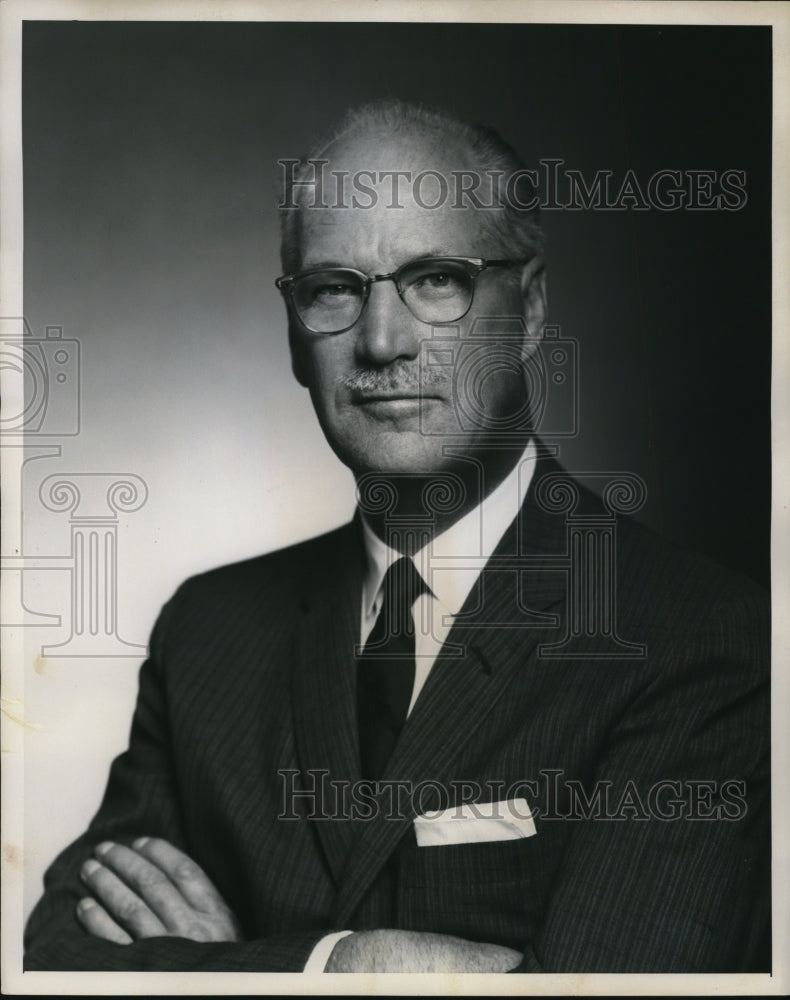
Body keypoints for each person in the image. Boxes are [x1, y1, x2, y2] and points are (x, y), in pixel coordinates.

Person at [23, 99, 770, 974]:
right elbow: (59, 959)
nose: (381, 342)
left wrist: (227, 971)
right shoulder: (207, 632)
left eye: (436, 280)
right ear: (295, 336)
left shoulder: (700, 636)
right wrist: (351, 966)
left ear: (530, 310)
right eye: (334, 289)